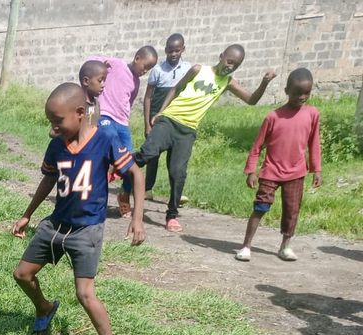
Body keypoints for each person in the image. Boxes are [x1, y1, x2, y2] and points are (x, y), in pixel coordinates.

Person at [10, 83, 146, 335]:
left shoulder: (105, 138)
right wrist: (27, 214)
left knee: (84, 293)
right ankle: (44, 308)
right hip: (56, 225)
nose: (53, 129)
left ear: (80, 113)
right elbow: (48, 179)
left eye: (58, 121)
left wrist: (137, 218)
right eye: (50, 121)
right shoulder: (56, 145)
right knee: (22, 274)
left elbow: (135, 173)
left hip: (87, 230)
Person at [134, 43, 276, 233]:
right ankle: (119, 170)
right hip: (169, 120)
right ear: (221, 56)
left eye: (236, 65)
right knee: (147, 153)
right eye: (229, 61)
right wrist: (161, 112)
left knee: (178, 173)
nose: (230, 67)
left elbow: (251, 100)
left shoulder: (227, 82)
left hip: (187, 130)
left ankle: (171, 215)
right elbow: (176, 88)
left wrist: (264, 83)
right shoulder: (198, 70)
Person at [236, 68, 322, 262]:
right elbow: (257, 146)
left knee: (292, 211)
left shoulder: (312, 114)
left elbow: (314, 143)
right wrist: (251, 171)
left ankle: (285, 247)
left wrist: (317, 169)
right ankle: (246, 246)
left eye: (306, 93)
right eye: (297, 93)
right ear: (286, 91)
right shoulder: (273, 117)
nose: (301, 97)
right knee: (260, 207)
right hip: (271, 172)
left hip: (296, 173)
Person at [86, 46, 158, 216]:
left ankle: (124, 193)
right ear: (137, 58)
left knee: (129, 160)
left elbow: (129, 102)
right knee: (106, 143)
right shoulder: (117, 64)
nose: (145, 71)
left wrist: (125, 121)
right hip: (104, 115)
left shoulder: (136, 82)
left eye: (149, 69)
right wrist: (100, 67)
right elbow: (91, 60)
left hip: (122, 122)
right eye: (145, 66)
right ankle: (96, 195)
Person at [142, 33, 191, 196]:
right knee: (152, 155)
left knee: (175, 158)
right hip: (157, 117)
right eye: (170, 51)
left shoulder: (188, 69)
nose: (173, 54)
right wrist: (147, 124)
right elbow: (148, 97)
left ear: (183, 49)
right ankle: (147, 188)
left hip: (177, 119)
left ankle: (175, 192)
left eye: (177, 50)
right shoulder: (158, 70)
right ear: (165, 50)